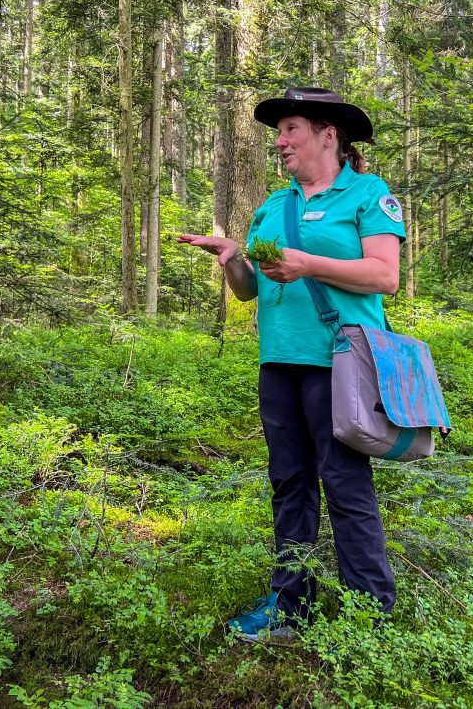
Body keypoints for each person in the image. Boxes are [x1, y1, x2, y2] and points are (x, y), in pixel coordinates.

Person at [178, 86, 406, 640]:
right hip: (278, 362)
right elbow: (250, 292)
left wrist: (309, 264)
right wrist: (234, 260)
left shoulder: (367, 194)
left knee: (345, 484)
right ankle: (291, 603)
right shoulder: (273, 207)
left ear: (328, 135)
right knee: (289, 482)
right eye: (278, 132)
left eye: (290, 130)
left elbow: (385, 275)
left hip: (341, 362)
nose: (279, 142)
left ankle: (368, 613)